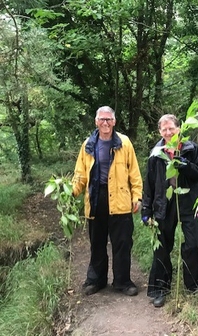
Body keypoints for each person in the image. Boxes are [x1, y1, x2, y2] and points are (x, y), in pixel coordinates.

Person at [72, 106, 143, 297]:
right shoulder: (88, 145)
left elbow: (134, 173)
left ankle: (122, 281)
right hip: (96, 198)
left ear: (114, 122)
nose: (105, 123)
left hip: (120, 199)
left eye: (109, 119)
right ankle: (96, 280)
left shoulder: (124, 143)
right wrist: (71, 192)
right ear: (96, 122)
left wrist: (137, 196)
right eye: (102, 119)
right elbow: (80, 174)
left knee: (122, 243)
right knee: (97, 242)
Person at [141, 114, 198, 308]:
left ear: (179, 129)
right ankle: (160, 288)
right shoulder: (156, 153)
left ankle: (193, 285)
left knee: (193, 243)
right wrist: (146, 208)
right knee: (162, 247)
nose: (168, 133)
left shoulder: (191, 149)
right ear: (160, 131)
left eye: (172, 129)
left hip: (188, 202)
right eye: (164, 129)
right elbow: (150, 183)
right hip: (164, 203)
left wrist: (185, 166)